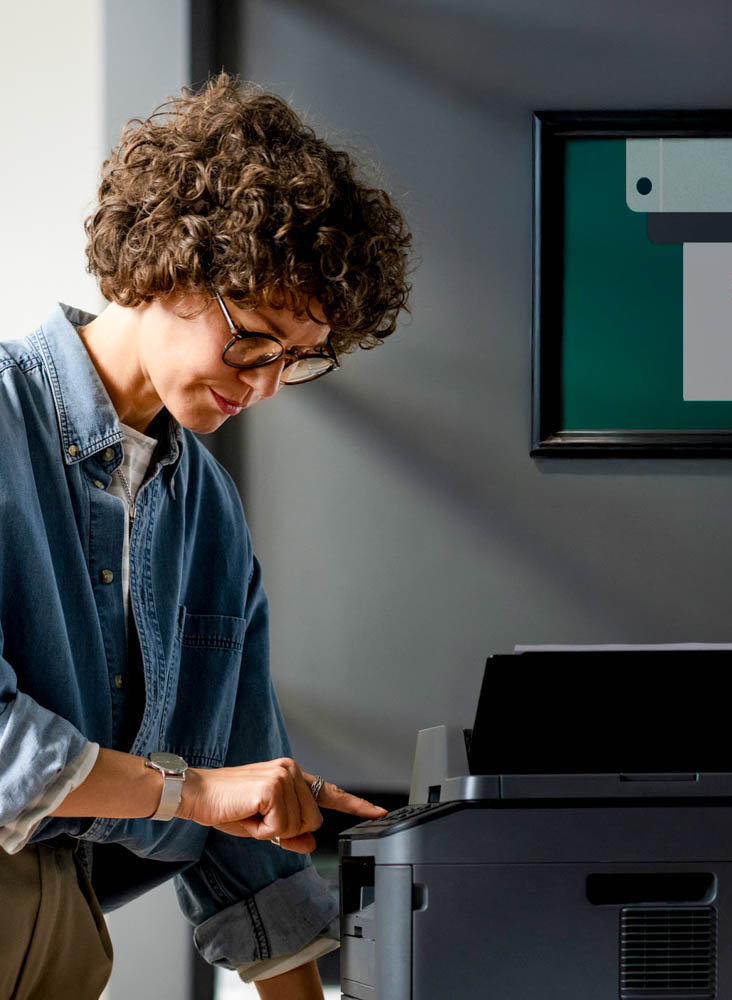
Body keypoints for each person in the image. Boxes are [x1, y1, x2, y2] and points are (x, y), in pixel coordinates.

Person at [0, 74, 411, 999]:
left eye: (295, 362)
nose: (264, 386)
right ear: (171, 263)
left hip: (61, 940)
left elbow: (247, 836)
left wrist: (234, 800)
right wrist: (191, 793)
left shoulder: (208, 513)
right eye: (256, 341)